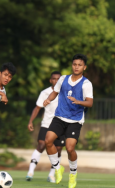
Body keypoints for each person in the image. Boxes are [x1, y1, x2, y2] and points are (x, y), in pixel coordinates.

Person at [43, 54, 93, 188]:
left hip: (75, 120)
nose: (76, 67)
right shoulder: (63, 79)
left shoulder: (86, 83)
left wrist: (79, 101)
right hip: (60, 116)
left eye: (79, 65)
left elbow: (90, 103)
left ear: (84, 67)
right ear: (72, 65)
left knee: (70, 148)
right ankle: (57, 168)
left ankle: (73, 173)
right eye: (74, 64)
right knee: (48, 141)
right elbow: (55, 92)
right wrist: (49, 99)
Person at [25, 71, 65, 183]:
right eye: (54, 79)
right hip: (47, 124)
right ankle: (30, 172)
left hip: (61, 125)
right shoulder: (45, 92)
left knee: (58, 149)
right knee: (41, 144)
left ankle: (52, 175)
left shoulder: (65, 93)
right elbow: (37, 108)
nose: (56, 81)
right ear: (50, 80)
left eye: (58, 79)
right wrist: (30, 121)